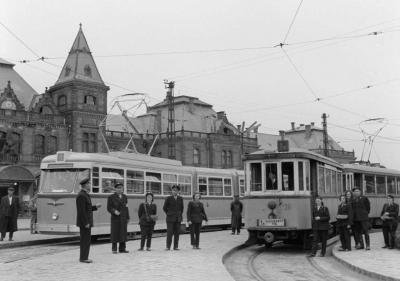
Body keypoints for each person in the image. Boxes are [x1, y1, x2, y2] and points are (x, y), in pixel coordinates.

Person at [76, 178, 102, 263]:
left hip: (87, 222)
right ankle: (83, 258)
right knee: (85, 240)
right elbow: (81, 211)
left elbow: (87, 208)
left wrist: (95, 207)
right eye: (89, 184)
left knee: (87, 240)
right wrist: (86, 222)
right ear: (85, 185)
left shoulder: (86, 195)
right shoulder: (81, 196)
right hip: (85, 223)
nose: (90, 185)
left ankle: (84, 257)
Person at [107, 183, 129, 254]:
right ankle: (114, 249)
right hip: (115, 218)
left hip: (123, 218)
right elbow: (109, 207)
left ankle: (122, 248)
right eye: (118, 188)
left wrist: (128, 217)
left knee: (123, 233)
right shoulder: (111, 197)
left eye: (121, 188)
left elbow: (126, 207)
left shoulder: (125, 197)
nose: (120, 189)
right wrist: (114, 211)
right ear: (115, 189)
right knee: (115, 233)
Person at [163, 185, 184, 250]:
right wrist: (169, 213)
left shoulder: (180, 198)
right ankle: (168, 247)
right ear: (172, 191)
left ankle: (176, 247)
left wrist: (179, 215)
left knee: (177, 233)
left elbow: (182, 208)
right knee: (169, 233)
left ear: (178, 191)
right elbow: (164, 208)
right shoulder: (168, 198)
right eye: (173, 190)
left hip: (178, 218)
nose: (175, 191)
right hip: (170, 218)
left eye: (176, 190)